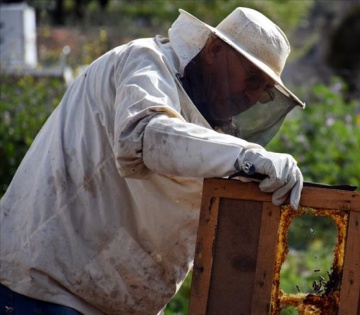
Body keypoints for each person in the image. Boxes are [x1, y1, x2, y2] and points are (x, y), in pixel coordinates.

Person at [0, 7, 305, 314]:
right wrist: (245, 157)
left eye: (265, 93)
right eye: (252, 78)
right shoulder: (145, 62)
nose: (252, 97)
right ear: (214, 50)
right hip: (39, 288)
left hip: (111, 302)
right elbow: (145, 136)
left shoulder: (213, 130)